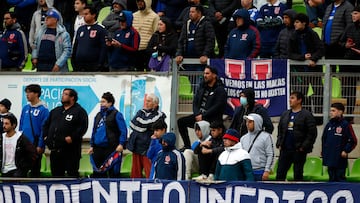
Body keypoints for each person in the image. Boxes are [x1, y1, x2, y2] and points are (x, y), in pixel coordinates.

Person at [177, 66, 227, 150]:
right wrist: (197, 114)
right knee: (181, 122)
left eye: (207, 73)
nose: (205, 75)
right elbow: (195, 101)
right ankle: (187, 146)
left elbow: (218, 106)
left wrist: (203, 116)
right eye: (204, 73)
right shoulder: (202, 86)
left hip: (212, 119)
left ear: (214, 75)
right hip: (199, 116)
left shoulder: (220, 89)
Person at [43, 88, 88, 177]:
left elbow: (83, 127)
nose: (63, 96)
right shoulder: (56, 111)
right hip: (55, 151)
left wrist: (72, 137)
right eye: (63, 94)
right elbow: (46, 124)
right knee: (56, 176)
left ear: (72, 98)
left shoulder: (79, 111)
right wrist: (46, 136)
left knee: (72, 175)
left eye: (66, 94)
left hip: (70, 152)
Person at [276, 91, 317, 181]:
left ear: (299, 100)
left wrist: (303, 147)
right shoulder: (285, 114)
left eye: (292, 98)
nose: (290, 100)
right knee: (280, 173)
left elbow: (312, 133)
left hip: (298, 150)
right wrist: (279, 143)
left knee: (298, 174)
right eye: (290, 98)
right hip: (285, 149)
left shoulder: (307, 115)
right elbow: (280, 130)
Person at [88, 92, 127, 178]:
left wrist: (121, 144)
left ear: (110, 103)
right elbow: (94, 131)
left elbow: (123, 130)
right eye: (101, 102)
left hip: (111, 148)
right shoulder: (98, 115)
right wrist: (91, 145)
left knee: (113, 174)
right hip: (98, 149)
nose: (101, 104)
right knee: (97, 174)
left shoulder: (116, 114)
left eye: (104, 102)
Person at [127, 93, 166, 178]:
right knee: (135, 173)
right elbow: (132, 124)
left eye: (149, 101)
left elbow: (145, 124)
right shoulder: (140, 112)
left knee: (149, 172)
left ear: (155, 104)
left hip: (148, 147)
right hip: (136, 145)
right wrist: (143, 127)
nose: (146, 103)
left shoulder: (159, 115)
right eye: (146, 101)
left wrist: (140, 124)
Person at [19, 84, 49, 178]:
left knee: (35, 170)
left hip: (35, 144)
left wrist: (41, 145)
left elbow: (44, 129)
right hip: (23, 144)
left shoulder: (43, 110)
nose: (27, 95)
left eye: (29, 92)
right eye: (26, 92)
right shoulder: (25, 108)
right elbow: (21, 125)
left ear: (36, 94)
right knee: (21, 169)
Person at [322, 103, 357, 182]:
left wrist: (346, 150)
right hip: (330, 158)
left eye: (333, 111)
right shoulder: (329, 124)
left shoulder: (345, 125)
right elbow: (324, 139)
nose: (331, 112)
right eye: (330, 111)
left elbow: (353, 140)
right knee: (331, 179)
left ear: (340, 112)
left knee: (340, 179)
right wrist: (324, 151)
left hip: (340, 159)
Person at [175, 5, 215, 71]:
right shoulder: (187, 24)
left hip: (201, 61)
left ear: (199, 13)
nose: (190, 14)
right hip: (187, 60)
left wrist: (205, 54)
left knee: (199, 79)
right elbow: (181, 41)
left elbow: (210, 41)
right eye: (190, 12)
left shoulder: (206, 24)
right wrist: (179, 54)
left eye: (193, 12)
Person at [338, 6, 360, 121]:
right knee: (348, 90)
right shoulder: (349, 27)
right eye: (352, 14)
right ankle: (349, 116)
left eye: (356, 13)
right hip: (348, 63)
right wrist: (345, 45)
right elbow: (340, 42)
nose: (353, 15)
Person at [72, 6, 107, 72]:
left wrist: (100, 64)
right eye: (83, 14)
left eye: (86, 14)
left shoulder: (101, 29)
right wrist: (73, 61)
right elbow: (75, 46)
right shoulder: (80, 29)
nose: (84, 16)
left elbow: (103, 48)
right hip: (79, 65)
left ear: (93, 15)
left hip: (93, 66)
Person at [241, 113, 274, 181]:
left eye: (250, 122)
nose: (247, 124)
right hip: (247, 171)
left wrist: (267, 170)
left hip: (261, 171)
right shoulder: (243, 138)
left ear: (257, 123)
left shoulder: (266, 137)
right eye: (246, 122)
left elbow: (270, 154)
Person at [132, 0, 159, 71]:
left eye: (141, 1)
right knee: (136, 75)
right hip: (135, 50)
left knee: (149, 75)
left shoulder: (155, 16)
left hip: (148, 51)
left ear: (147, 2)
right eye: (137, 1)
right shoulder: (133, 15)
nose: (139, 3)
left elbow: (155, 33)